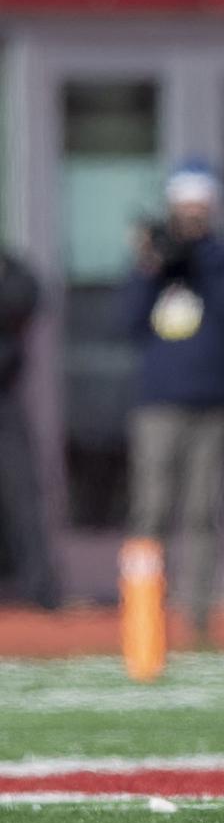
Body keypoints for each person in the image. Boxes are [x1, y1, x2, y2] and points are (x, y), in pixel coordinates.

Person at [123, 161, 224, 643]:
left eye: (201, 210)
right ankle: (143, 619)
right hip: (157, 404)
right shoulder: (154, 260)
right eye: (185, 210)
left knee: (202, 514)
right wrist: (148, 267)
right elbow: (128, 321)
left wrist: (196, 257)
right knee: (150, 511)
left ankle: (198, 621)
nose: (192, 219)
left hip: (211, 404)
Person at [0, 249, 60, 610]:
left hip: (3, 403)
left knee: (22, 494)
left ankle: (41, 592)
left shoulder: (14, 271)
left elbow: (26, 297)